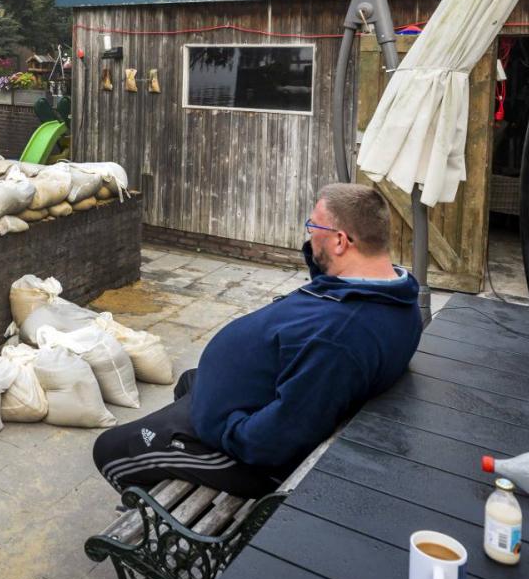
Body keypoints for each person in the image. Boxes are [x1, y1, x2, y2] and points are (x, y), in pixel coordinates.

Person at [93, 182, 423, 497]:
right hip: (255, 397)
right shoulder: (395, 293)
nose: (309, 236)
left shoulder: (336, 339)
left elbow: (275, 440)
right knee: (189, 381)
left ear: (339, 242)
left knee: (110, 449)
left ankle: (164, 512)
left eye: (314, 228)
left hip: (243, 452)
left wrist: (225, 425)